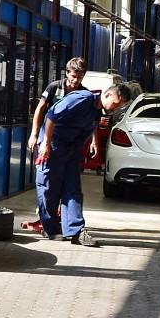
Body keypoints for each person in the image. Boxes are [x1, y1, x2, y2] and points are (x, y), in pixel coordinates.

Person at [33, 82, 133, 246]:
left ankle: (75, 231)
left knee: (72, 189)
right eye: (116, 104)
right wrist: (45, 144)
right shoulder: (81, 99)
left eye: (119, 107)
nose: (115, 109)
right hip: (53, 146)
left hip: (71, 151)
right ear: (107, 95)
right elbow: (51, 116)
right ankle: (50, 228)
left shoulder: (97, 111)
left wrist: (92, 144)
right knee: (48, 187)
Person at [21, 57, 88, 233]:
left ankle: (62, 219)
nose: (76, 80)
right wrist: (34, 134)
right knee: (47, 180)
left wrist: (93, 141)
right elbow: (40, 109)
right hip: (48, 137)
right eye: (73, 76)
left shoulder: (83, 93)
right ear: (67, 73)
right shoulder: (54, 87)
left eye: (79, 77)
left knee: (67, 180)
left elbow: (90, 118)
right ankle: (47, 219)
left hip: (68, 140)